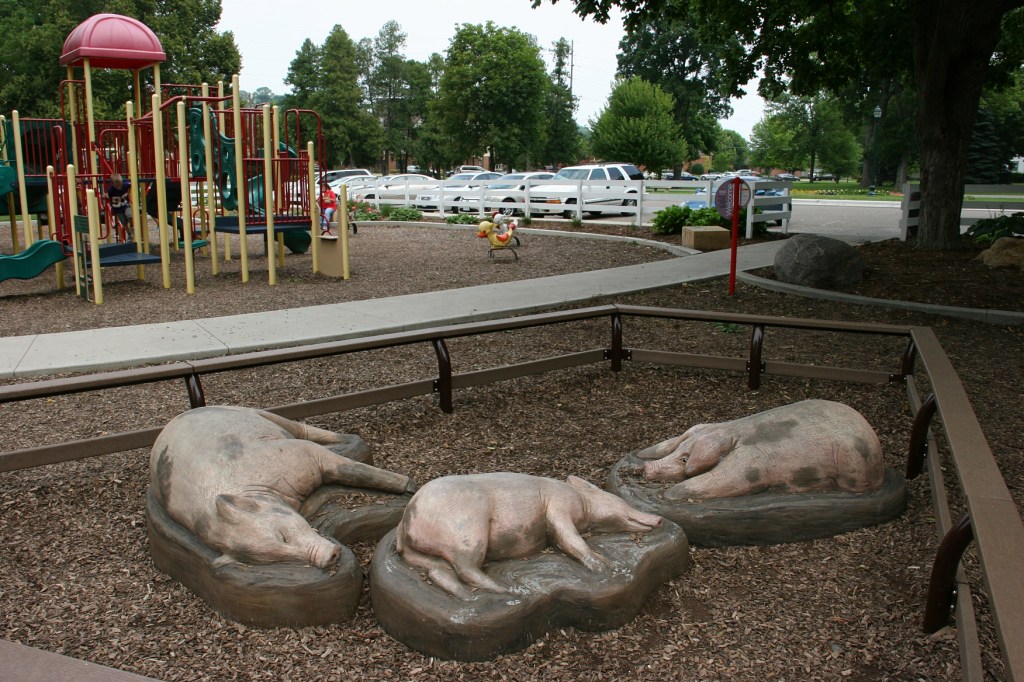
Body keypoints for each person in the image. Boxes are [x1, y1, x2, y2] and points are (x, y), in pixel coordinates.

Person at [107, 173, 132, 242]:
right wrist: (105, 196)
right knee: (124, 222)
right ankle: (129, 234)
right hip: (117, 208)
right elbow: (107, 196)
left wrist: (129, 191)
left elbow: (131, 183)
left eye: (120, 185)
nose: (119, 187)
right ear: (113, 184)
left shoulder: (125, 185)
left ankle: (132, 228)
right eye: (117, 186)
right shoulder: (111, 190)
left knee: (129, 214)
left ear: (122, 182)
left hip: (125, 204)